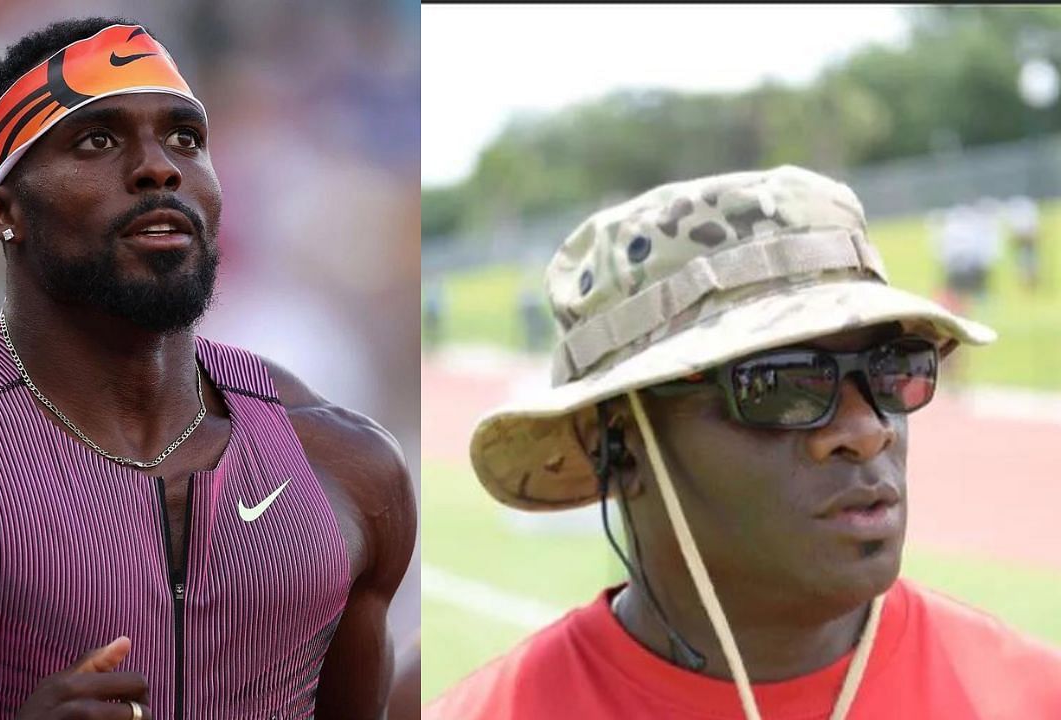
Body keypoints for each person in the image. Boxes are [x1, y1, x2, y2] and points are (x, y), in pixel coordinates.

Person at [0, 17, 415, 720]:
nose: (160, 166)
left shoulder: (346, 465)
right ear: (3, 213)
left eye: (186, 138)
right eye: (98, 140)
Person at [425, 166, 1061, 719]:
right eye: (781, 385)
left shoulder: (1031, 698)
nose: (868, 429)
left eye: (896, 368)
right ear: (615, 441)